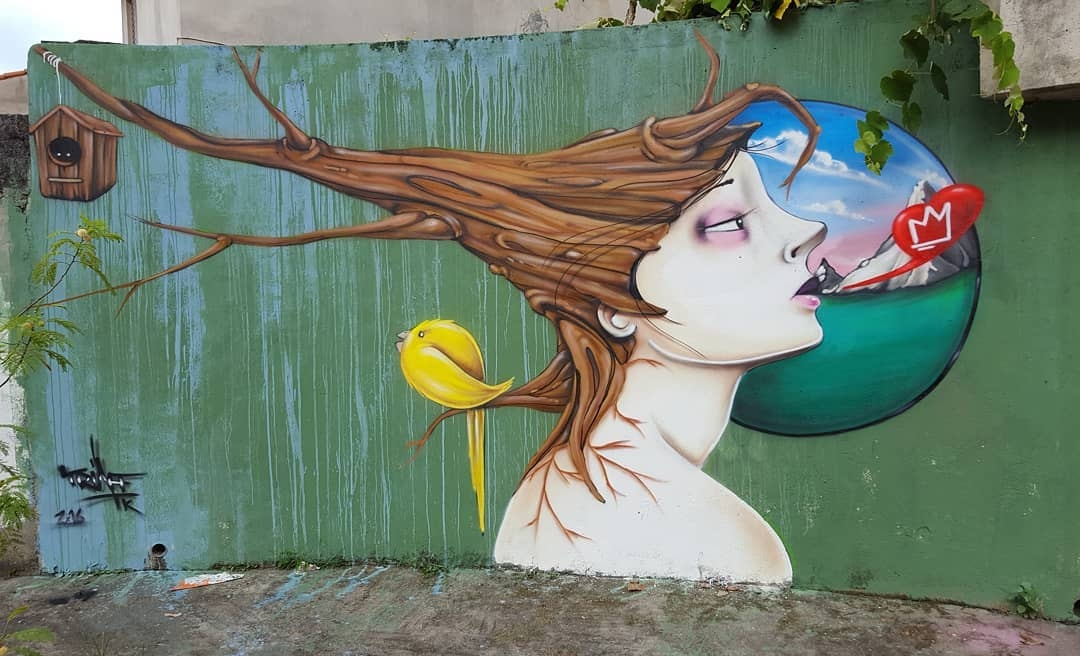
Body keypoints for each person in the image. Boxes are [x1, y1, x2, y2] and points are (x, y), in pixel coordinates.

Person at [42, 33, 827, 583]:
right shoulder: (729, 550)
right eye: (730, 223)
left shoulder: (576, 487)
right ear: (616, 310)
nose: (807, 232)